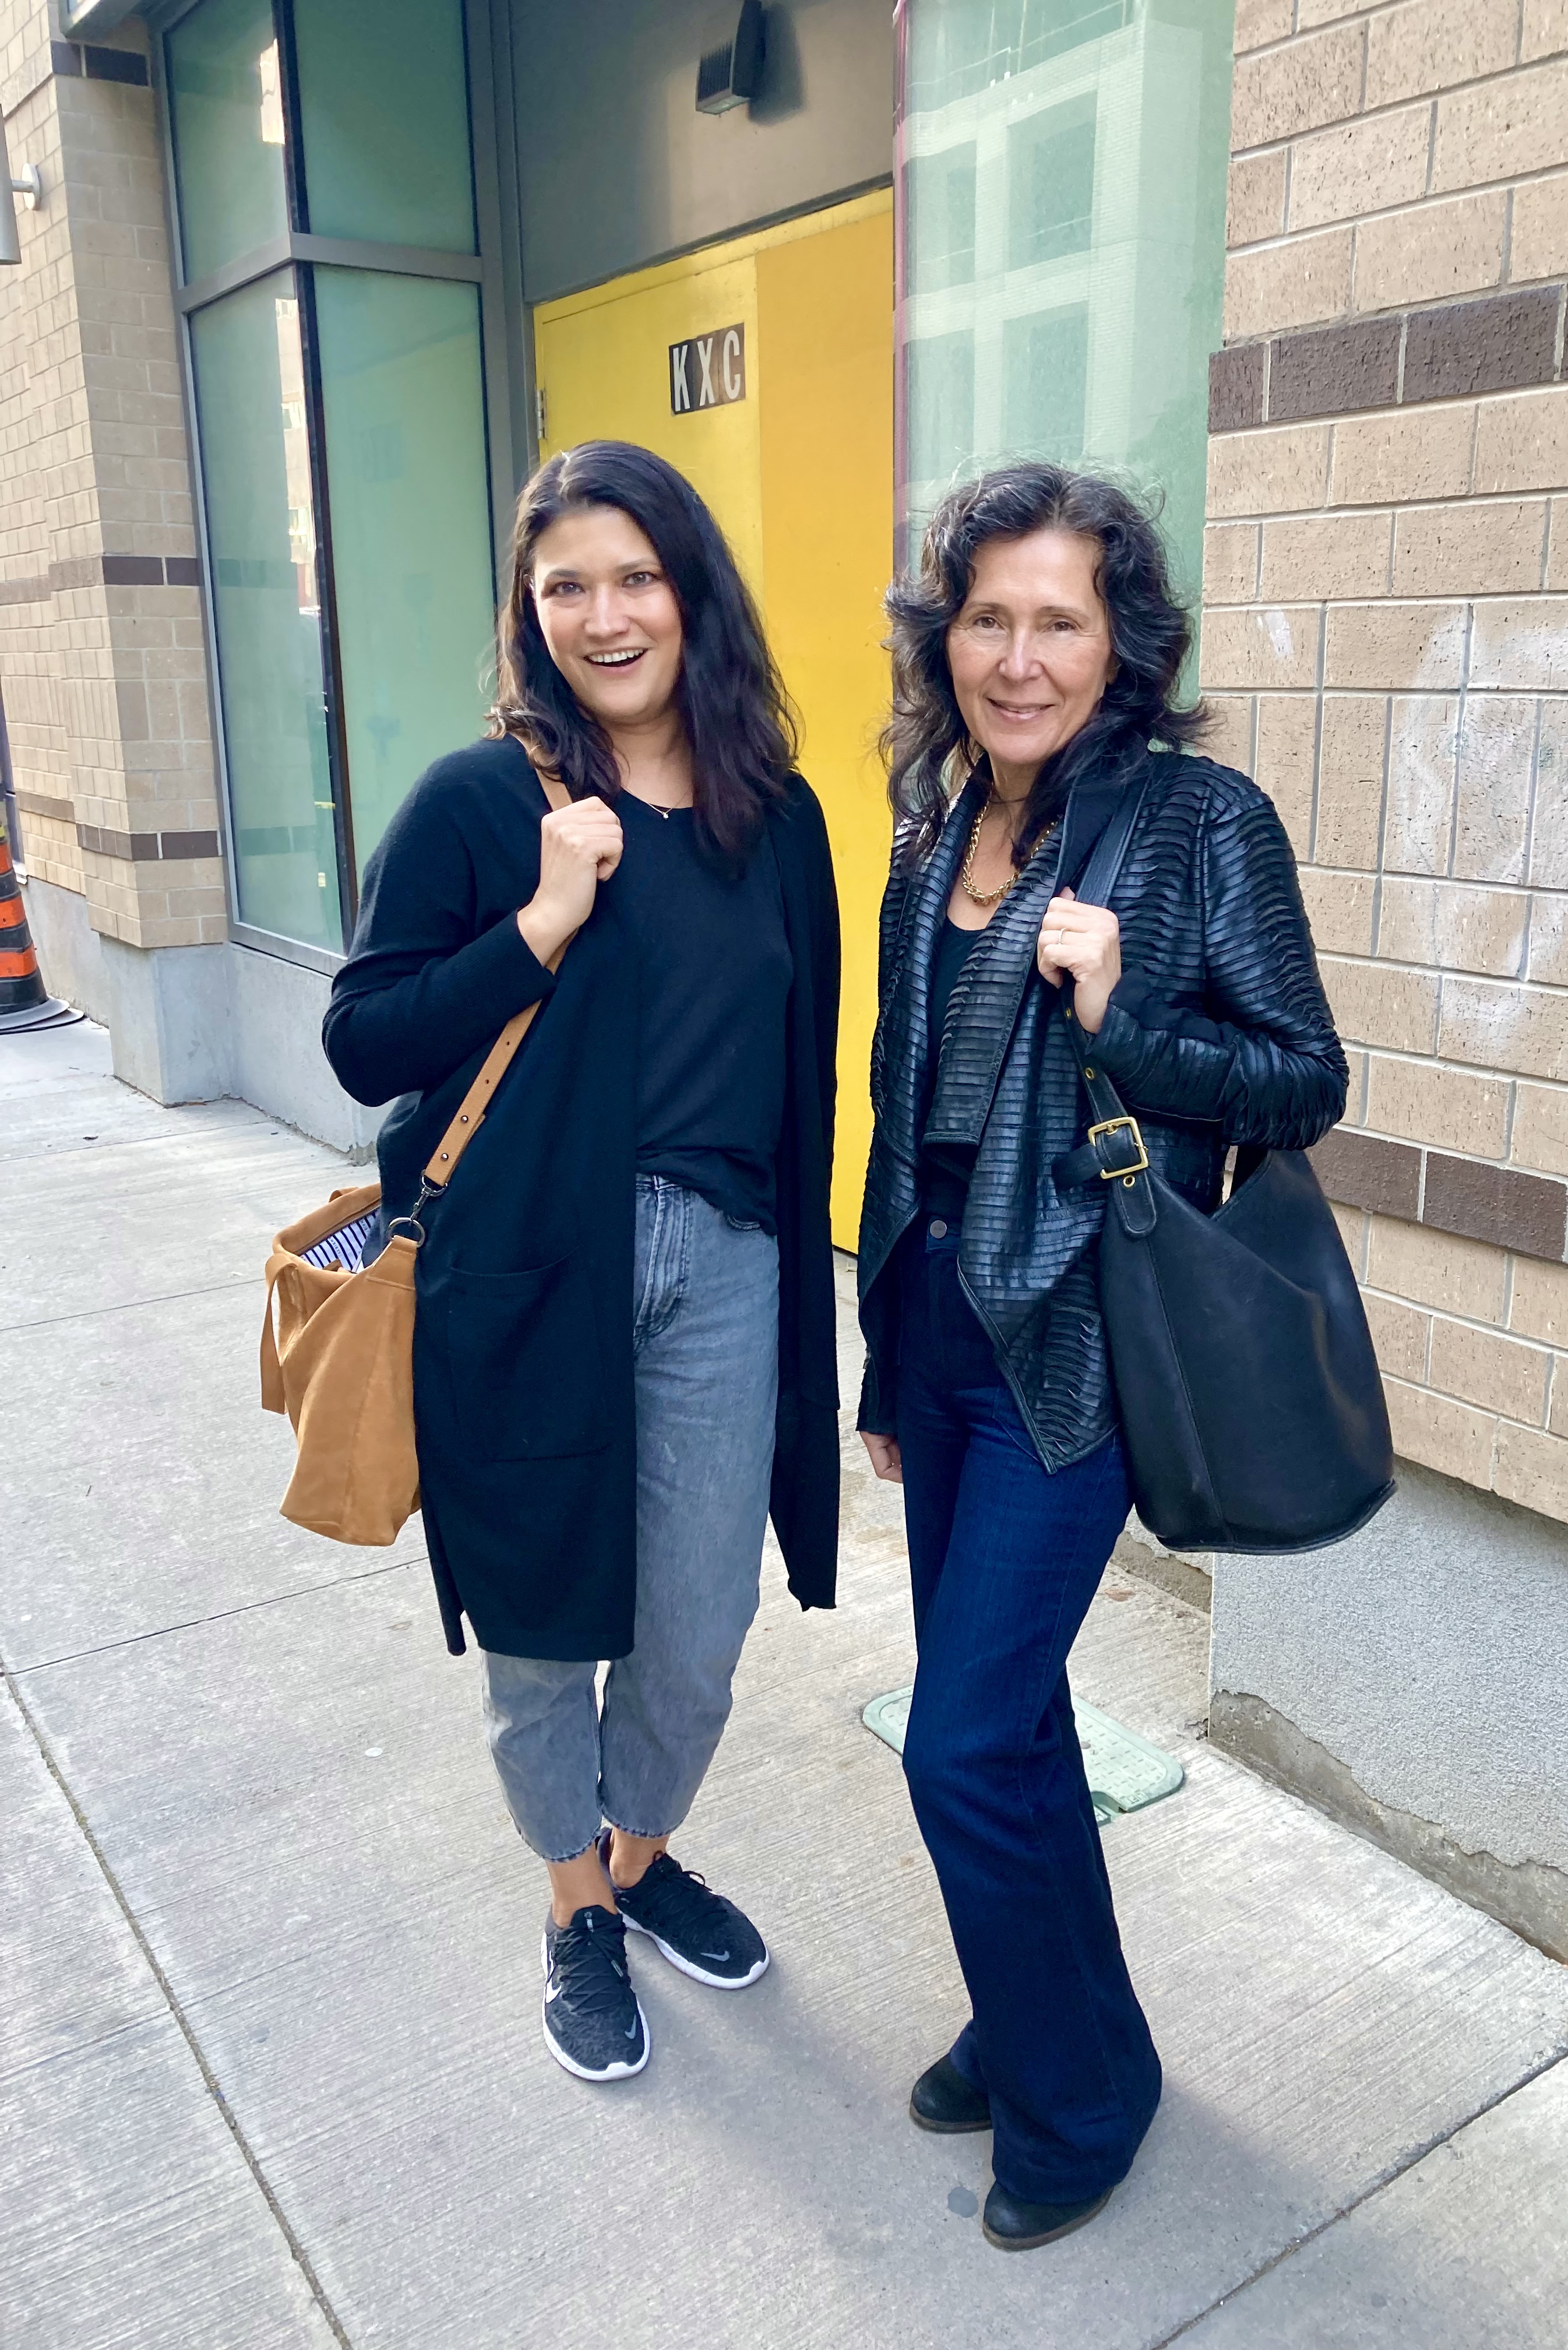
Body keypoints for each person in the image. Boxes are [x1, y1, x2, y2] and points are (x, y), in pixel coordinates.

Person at [855, 463, 1348, 2251]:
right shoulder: (934, 829)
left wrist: (1126, 1014)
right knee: (1012, 1728)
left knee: (962, 1746)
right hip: (937, 1328)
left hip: (1073, 1347)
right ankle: (1041, 2018)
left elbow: (1304, 1078)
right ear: (945, 639)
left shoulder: (1201, 824)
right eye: (986, 618)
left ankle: (1079, 2106)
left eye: (1057, 621)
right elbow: (900, 1103)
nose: (1019, 657)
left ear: (1121, 642)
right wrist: (880, 1363)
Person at [323, 441, 840, 2085]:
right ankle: (575, 1907)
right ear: (530, 609)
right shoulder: (483, 802)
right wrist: (537, 925)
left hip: (729, 1263)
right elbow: (364, 1039)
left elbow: (807, 1072)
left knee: (698, 1626)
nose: (605, 618)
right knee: (545, 1617)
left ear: (693, 593)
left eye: (636, 579)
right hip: (535, 1267)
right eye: (567, 588)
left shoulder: (780, 818)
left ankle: (636, 1855)